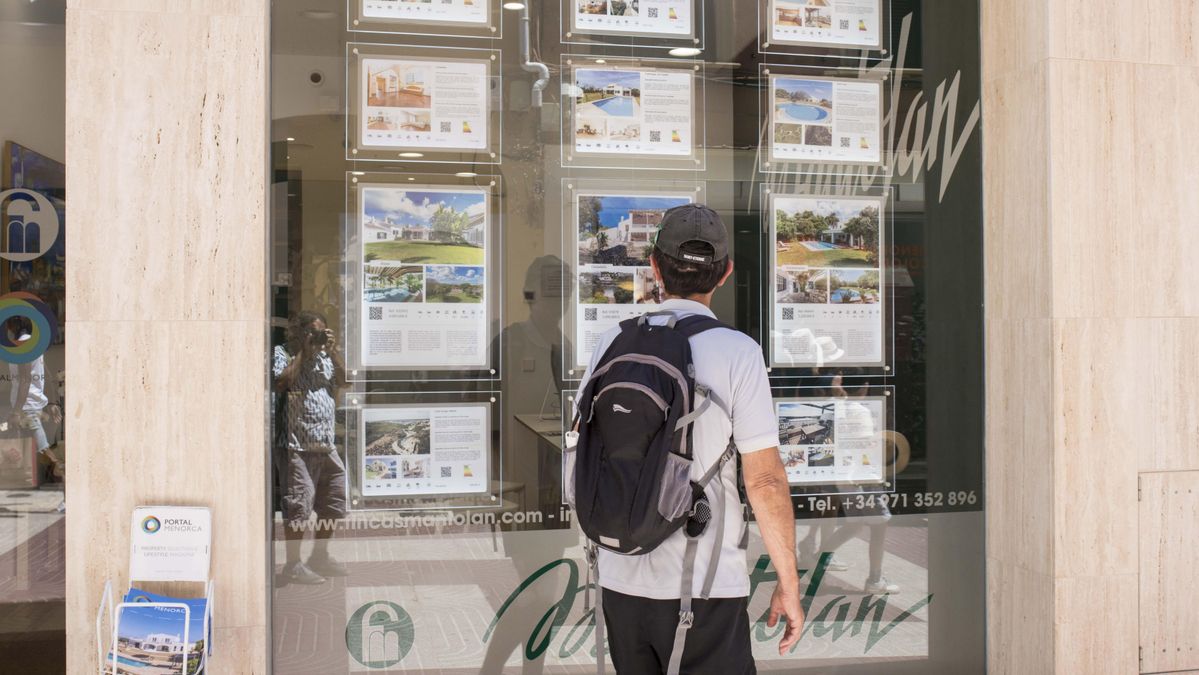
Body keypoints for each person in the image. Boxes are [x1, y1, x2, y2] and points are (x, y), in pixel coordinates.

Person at [575, 205, 803, 673]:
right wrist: (789, 582)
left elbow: (581, 450)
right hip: (705, 585)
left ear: (654, 267)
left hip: (621, 578)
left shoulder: (611, 342)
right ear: (726, 274)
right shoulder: (738, 351)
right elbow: (764, 482)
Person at [272, 311, 349, 584]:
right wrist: (304, 352)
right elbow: (281, 382)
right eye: (312, 332)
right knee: (299, 507)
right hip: (296, 446)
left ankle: (320, 555)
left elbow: (345, 381)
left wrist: (334, 350)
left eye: (321, 332)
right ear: (298, 332)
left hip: (325, 444)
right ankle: (292, 564)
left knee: (334, 500)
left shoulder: (328, 356)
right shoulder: (283, 352)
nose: (316, 337)